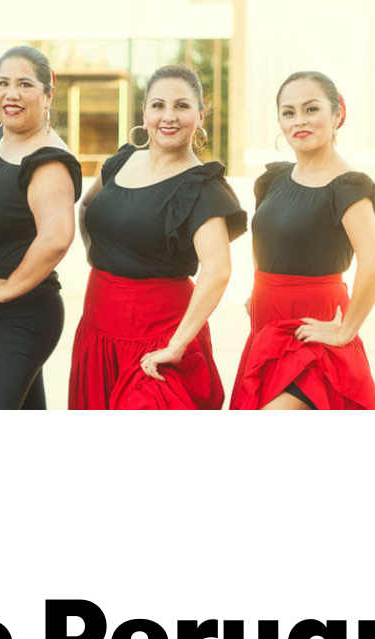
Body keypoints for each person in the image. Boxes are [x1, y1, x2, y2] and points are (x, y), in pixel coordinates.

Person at [69, 65, 246, 410]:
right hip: (98, 326)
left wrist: (176, 346)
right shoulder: (121, 162)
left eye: (182, 106)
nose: (169, 116)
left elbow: (218, 271)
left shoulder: (203, 186)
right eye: (158, 105)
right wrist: (97, 256)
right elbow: (87, 206)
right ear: (145, 111)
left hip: (160, 340)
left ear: (200, 114)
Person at [230, 71, 375, 410]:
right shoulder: (272, 179)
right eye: (288, 112)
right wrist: (258, 291)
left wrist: (345, 331)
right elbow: (272, 237)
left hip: (313, 331)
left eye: (311, 109)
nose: (299, 120)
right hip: (267, 324)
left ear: (337, 115)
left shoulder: (348, 186)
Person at [0, 45, 81, 409]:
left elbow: (57, 238)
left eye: (25, 84)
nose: (12, 94)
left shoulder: (48, 161)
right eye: (3, 83)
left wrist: (8, 288)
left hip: (21, 318)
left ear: (47, 92)